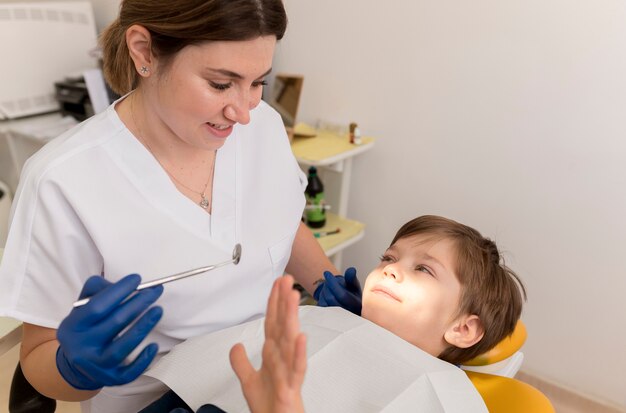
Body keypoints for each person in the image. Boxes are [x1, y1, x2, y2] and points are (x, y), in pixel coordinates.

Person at [0, 1, 360, 412]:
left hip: (266, 380)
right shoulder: (62, 180)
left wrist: (326, 284)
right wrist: (75, 369)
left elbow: (279, 221)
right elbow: (37, 358)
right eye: (221, 84)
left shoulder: (264, 128)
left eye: (258, 82)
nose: (242, 112)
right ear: (144, 52)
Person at [143, 214, 527, 412]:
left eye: (423, 269)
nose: (391, 268)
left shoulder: (438, 393)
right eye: (390, 258)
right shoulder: (320, 319)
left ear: (463, 328)